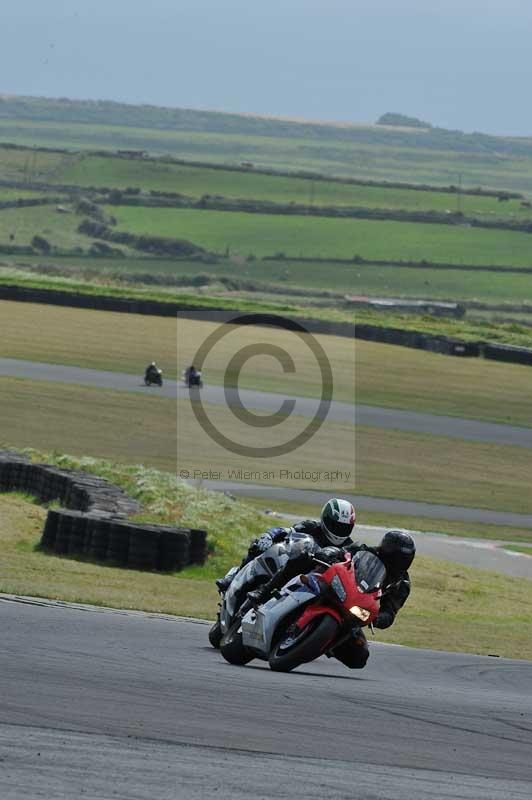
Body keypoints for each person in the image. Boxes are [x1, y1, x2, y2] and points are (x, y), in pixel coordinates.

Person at [216, 498, 357, 593]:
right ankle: (233, 578)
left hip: (316, 584)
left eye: (344, 527)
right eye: (335, 525)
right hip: (292, 565)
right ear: (325, 520)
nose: (339, 530)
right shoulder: (311, 527)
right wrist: (269, 535)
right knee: (257, 546)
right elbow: (285, 530)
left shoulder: (349, 547)